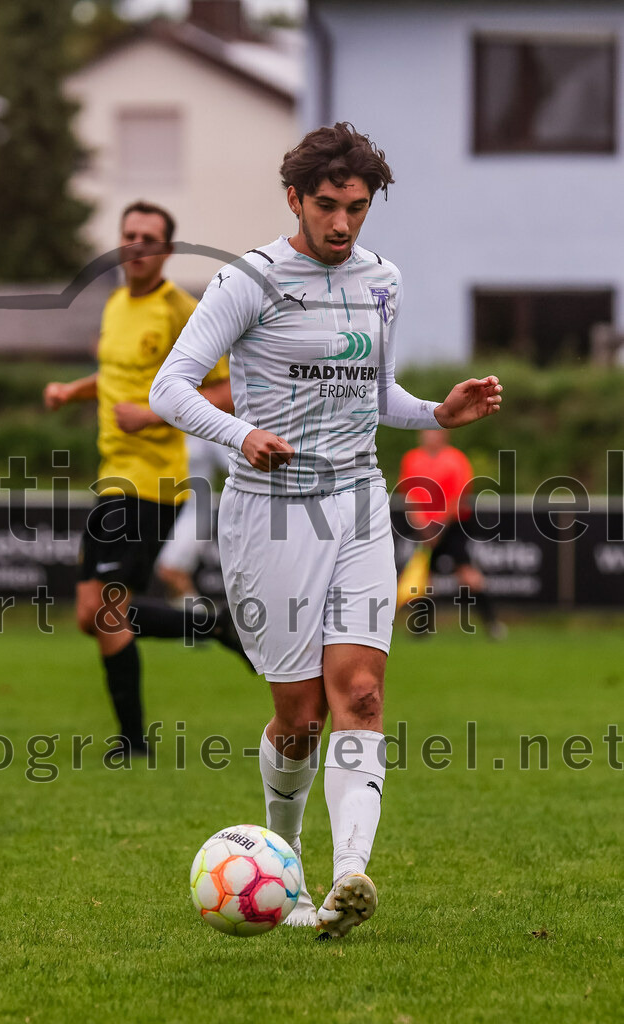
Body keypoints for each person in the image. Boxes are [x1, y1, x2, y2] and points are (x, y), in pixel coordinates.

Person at [150, 123, 502, 936]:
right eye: (327, 206)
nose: (343, 224)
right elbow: (170, 387)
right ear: (295, 201)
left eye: (357, 206)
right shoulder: (250, 281)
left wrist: (435, 412)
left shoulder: (384, 281)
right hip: (268, 515)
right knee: (299, 717)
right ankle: (287, 857)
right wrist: (241, 436)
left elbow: (372, 393)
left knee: (364, 696)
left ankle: (348, 879)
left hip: (356, 503)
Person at [43, 201, 244, 756]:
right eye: (128, 234)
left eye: (149, 237)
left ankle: (136, 738)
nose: (136, 245)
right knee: (98, 614)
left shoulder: (182, 308)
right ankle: (210, 631)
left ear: (167, 249)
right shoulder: (112, 306)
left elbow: (227, 391)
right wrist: (72, 391)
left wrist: (155, 414)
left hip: (151, 482)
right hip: (115, 477)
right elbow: (114, 375)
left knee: (101, 612)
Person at [398, 429, 504, 637]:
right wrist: (421, 524)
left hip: (452, 525)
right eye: (425, 432)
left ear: (443, 436)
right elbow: (409, 495)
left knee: (467, 574)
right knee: (423, 577)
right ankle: (422, 629)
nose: (427, 436)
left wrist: (439, 525)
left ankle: (492, 624)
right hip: (424, 529)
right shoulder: (412, 459)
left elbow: (459, 497)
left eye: (432, 432)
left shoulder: (456, 460)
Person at [155, 433, 230, 603]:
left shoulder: (205, 428)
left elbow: (232, 464)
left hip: (197, 513)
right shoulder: (164, 424)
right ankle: (188, 624)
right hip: (168, 510)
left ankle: (202, 623)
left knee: (171, 570)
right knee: (168, 575)